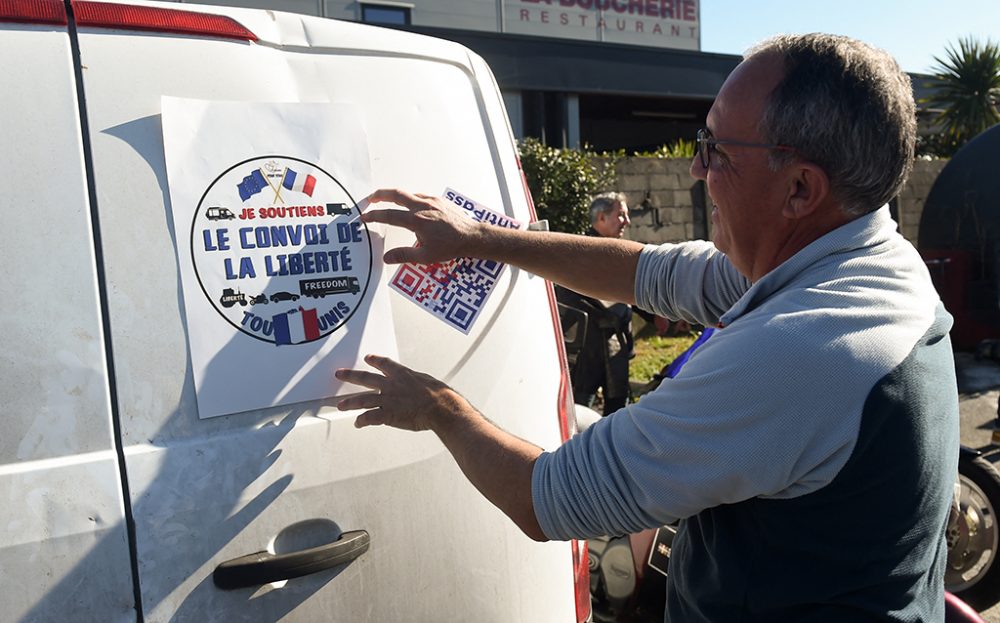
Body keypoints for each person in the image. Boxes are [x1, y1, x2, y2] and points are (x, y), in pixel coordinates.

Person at [336, 33, 959, 622]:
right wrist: (484, 240)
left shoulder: (803, 348)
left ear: (799, 188)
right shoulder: (862, 258)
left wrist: (437, 406)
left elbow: (546, 498)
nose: (695, 169)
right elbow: (647, 273)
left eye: (715, 149)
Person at [557, 191, 634, 414]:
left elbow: (632, 292)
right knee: (579, 411)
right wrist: (607, 313)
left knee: (618, 409)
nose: (626, 222)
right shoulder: (580, 250)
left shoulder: (621, 251)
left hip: (615, 346)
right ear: (601, 218)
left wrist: (658, 315)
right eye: (620, 215)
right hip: (586, 349)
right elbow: (568, 295)